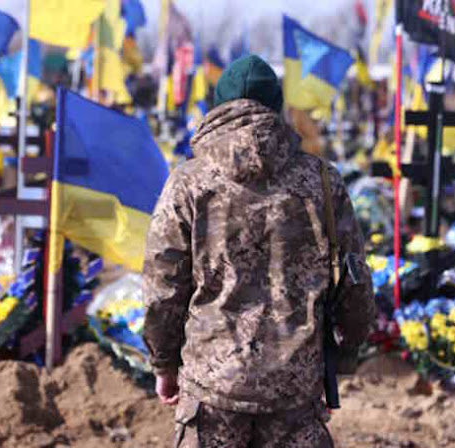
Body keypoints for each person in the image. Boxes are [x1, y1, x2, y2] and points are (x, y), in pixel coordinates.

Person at [143, 55, 375, 448]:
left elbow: (163, 285)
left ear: (217, 107)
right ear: (277, 106)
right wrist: (346, 351)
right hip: (295, 393)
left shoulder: (187, 183)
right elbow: (352, 281)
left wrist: (163, 364)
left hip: (212, 392)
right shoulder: (322, 181)